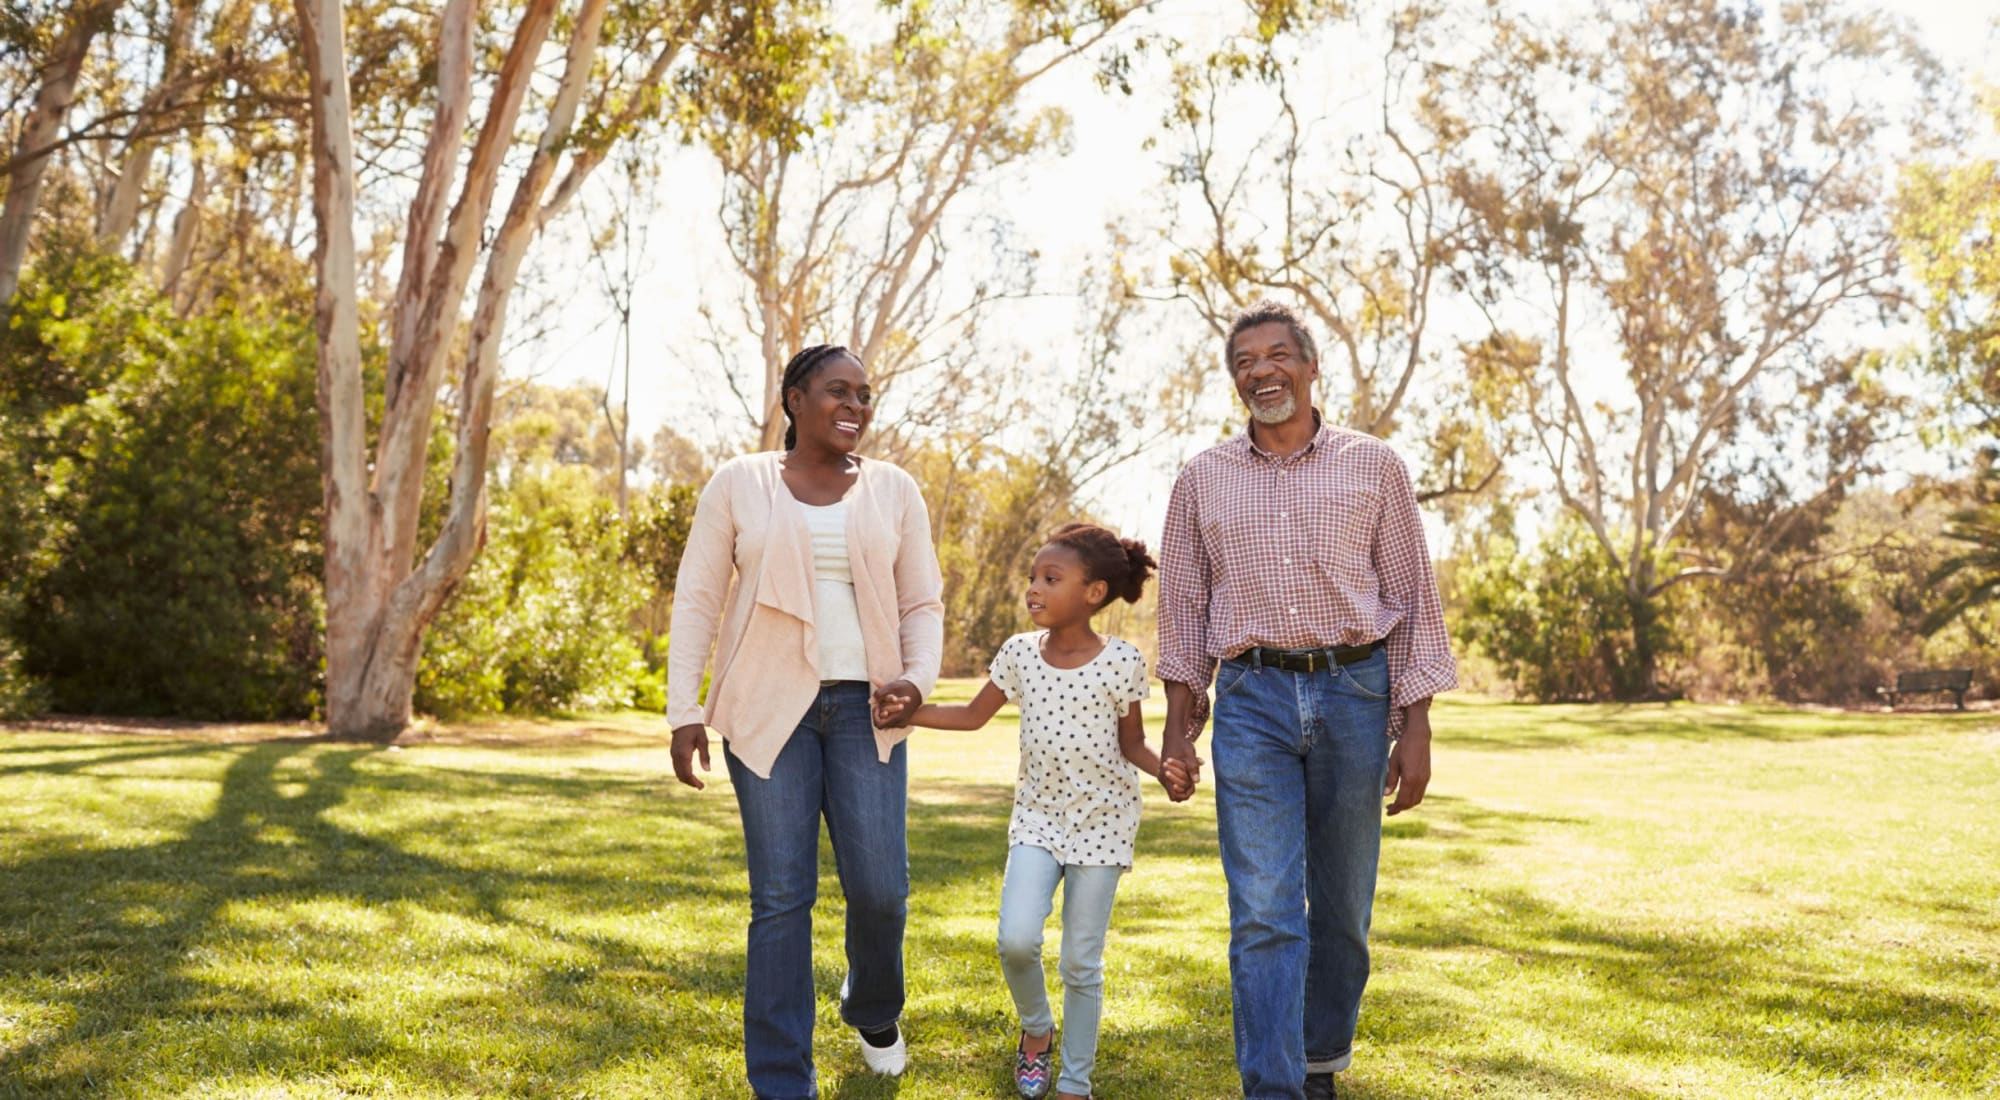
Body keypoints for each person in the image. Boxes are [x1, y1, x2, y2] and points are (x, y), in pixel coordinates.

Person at [1155, 301, 1458, 1100]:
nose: (1262, 370)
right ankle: (1274, 1087)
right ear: (1234, 382)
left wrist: (1416, 725)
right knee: (1263, 910)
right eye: (1245, 361)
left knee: (1344, 913)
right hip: (1252, 695)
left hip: (1356, 692)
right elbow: (1183, 611)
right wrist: (1177, 732)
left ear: (1311, 364)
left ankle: (1321, 1058)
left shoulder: (1374, 465)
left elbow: (1412, 598)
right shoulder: (1201, 479)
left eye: (1277, 354)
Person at [666, 344, 945, 1100]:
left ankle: (873, 1009)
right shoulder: (740, 483)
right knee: (782, 898)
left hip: (869, 708)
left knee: (882, 889)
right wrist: (684, 709)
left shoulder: (894, 490)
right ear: (794, 398)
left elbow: (922, 604)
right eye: (836, 391)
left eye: (864, 393)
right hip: (766, 707)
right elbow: (697, 599)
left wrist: (915, 682)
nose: (855, 404)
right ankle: (783, 1080)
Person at [885, 523, 1193, 1100]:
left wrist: (1166, 773)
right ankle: (1036, 1029)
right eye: (1032, 578)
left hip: (1104, 823)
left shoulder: (1123, 661)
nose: (1034, 588)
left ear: (1093, 593)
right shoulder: (1019, 654)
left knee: (1081, 961)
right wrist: (910, 712)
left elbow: (1133, 744)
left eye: (1051, 579)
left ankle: (1075, 1082)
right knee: (1017, 940)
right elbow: (974, 716)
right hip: (1038, 819)